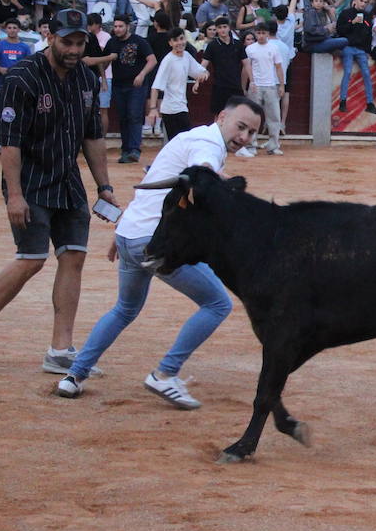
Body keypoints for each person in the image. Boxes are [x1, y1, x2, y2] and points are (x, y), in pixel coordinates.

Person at [55, 98, 265, 405]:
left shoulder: (192, 137)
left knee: (124, 309)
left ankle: (73, 376)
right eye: (241, 127)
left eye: (252, 133)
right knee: (217, 304)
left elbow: (153, 180)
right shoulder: (208, 144)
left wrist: (123, 230)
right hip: (155, 242)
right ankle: (165, 374)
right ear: (222, 117)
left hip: (131, 235)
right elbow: (203, 175)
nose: (244, 137)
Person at [0, 10, 118, 375]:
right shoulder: (22, 77)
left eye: (80, 43)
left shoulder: (88, 80)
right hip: (29, 181)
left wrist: (104, 186)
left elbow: (93, 137)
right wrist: (14, 195)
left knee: (73, 257)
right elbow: (9, 143)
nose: (75, 49)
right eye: (68, 42)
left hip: (67, 179)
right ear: (50, 38)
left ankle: (60, 350)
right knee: (31, 259)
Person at [103, 14, 157, 163]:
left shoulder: (139, 41)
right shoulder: (112, 42)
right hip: (119, 85)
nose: (117, 29)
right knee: (124, 117)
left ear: (128, 26)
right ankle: (126, 149)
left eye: (120, 26)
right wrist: (102, 77)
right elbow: (105, 62)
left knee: (133, 115)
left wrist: (141, 74)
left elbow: (152, 60)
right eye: (115, 26)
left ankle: (134, 149)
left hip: (136, 85)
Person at [148, 29, 209, 140]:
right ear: (170, 43)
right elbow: (156, 87)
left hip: (181, 106)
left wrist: (199, 79)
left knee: (181, 143)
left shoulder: (186, 56)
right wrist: (153, 108)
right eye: (175, 40)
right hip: (171, 109)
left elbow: (201, 72)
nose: (180, 43)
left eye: (181, 39)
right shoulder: (168, 60)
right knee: (180, 142)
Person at [243, 22, 286, 155]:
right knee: (253, 117)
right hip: (256, 85)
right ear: (256, 34)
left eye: (263, 33)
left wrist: (281, 84)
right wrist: (248, 84)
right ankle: (251, 145)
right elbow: (246, 68)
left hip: (271, 85)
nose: (261, 36)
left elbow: (278, 67)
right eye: (259, 33)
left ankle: (273, 146)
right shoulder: (250, 49)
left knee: (274, 117)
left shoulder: (273, 48)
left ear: (268, 34)